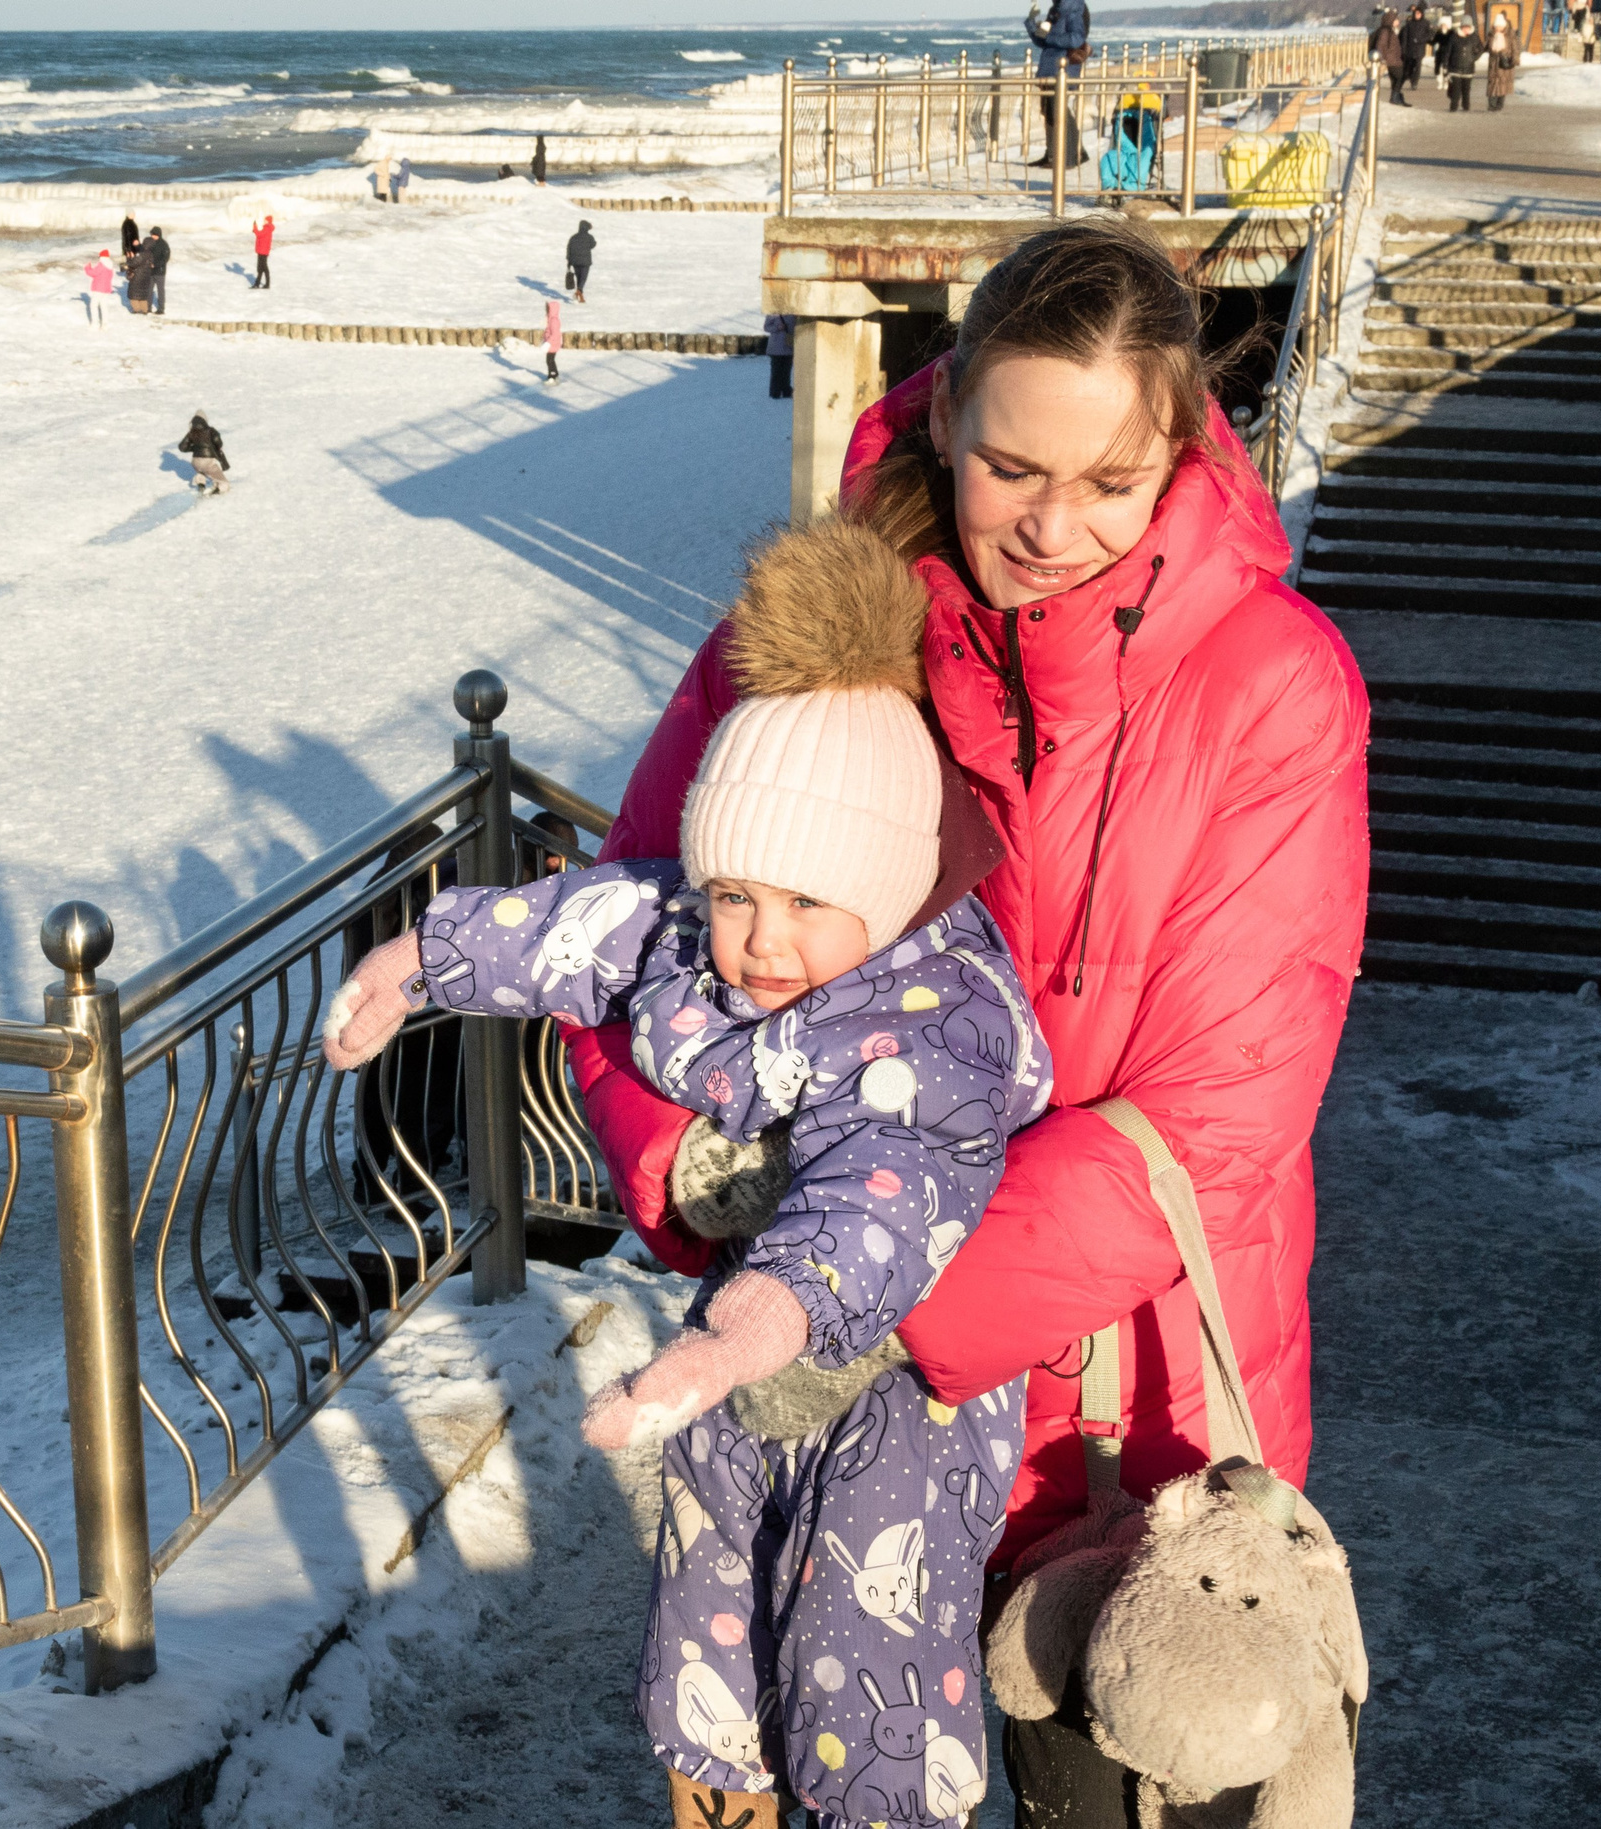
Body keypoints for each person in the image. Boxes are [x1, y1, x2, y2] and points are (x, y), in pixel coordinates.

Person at [564, 216, 1369, 1826]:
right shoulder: (806, 642)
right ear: (942, 418)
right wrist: (682, 1166)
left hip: (1119, 1434)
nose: (1054, 529)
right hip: (829, 1425)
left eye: (1110, 486)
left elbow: (1219, 1112)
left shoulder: (1271, 685)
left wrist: (862, 1307)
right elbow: (632, 939)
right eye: (1012, 470)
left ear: (1180, 456)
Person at [324, 518, 1045, 1829]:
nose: (759, 942)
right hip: (735, 1352)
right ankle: (721, 1795)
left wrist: (737, 1335)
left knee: (861, 1636)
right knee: (714, 1604)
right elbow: (580, 925)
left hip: (900, 1384)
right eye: (736, 895)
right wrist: (418, 963)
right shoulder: (700, 934)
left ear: (881, 889)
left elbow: (877, 1204)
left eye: (805, 904)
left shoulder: (934, 1019)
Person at [1026, 0, 1091, 166]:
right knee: (1048, 110)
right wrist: (1033, 25)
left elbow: (1076, 39)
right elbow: (1044, 42)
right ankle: (1053, 154)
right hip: (1050, 66)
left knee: (1059, 110)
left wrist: (1049, 36)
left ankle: (1071, 155)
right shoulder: (1055, 10)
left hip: (1064, 67)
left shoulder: (1073, 8)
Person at [178, 411, 230, 492]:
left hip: (195, 462)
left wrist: (194, 448)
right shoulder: (211, 431)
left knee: (201, 470)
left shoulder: (191, 432)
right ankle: (217, 492)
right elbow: (218, 441)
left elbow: (182, 447)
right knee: (223, 482)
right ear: (205, 420)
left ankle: (201, 483)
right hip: (208, 461)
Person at [1445, 14, 1482, 109]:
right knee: (1456, 90)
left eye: (1468, 27)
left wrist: (1474, 57)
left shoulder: (1474, 37)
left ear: (1471, 27)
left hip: (1468, 68)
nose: (1466, 29)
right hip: (1455, 68)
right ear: (1461, 26)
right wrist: (1445, 64)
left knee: (1466, 90)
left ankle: (1466, 107)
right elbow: (1448, 52)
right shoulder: (1454, 37)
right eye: (1464, 27)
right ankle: (1453, 107)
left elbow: (1481, 48)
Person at [1487, 8, 1518, 107]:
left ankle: (1499, 105)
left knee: (1503, 86)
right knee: (1492, 84)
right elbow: (1486, 46)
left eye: (1499, 26)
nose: (1498, 28)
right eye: (1496, 26)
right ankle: (1491, 105)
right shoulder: (1491, 35)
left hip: (1504, 64)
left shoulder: (1510, 36)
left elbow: (1515, 48)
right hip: (1493, 64)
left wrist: (1514, 60)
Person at [1376, 8, 1408, 102]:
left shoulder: (1390, 30)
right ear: (1391, 20)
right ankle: (1395, 97)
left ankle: (1395, 97)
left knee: (1396, 79)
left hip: (1394, 58)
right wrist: (1381, 58)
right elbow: (1381, 45)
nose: (1398, 21)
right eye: (1396, 19)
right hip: (1392, 60)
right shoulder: (1386, 31)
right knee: (1400, 77)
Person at [564, 219, 596, 302]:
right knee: (583, 278)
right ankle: (579, 291)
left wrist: (569, 261)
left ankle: (580, 295)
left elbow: (569, 249)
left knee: (579, 277)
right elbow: (593, 245)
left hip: (575, 262)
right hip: (585, 262)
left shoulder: (573, 237)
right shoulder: (589, 237)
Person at [1403, 2, 1434, 89]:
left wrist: (1421, 40)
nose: (1417, 15)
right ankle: (1411, 78)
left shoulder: (1426, 23)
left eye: (1419, 13)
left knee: (1417, 65)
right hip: (1410, 48)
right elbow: (1405, 36)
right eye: (1416, 13)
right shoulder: (1409, 24)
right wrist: (1403, 48)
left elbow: (1430, 34)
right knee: (1410, 66)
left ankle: (1414, 82)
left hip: (1420, 48)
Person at [765, 312, 795, 399]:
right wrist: (778, 328)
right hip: (776, 349)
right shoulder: (773, 314)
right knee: (776, 371)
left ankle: (785, 390)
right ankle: (775, 392)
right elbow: (766, 327)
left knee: (786, 371)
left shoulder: (793, 315)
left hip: (788, 347)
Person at [143, 226, 171, 315]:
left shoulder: (164, 245)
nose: (152, 236)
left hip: (160, 271)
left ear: (158, 235)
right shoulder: (150, 243)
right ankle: (148, 307)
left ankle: (161, 308)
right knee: (149, 290)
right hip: (150, 271)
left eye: (154, 235)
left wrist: (155, 265)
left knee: (160, 290)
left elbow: (165, 259)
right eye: (151, 234)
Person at [83, 248, 114, 327]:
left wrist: (87, 267)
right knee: (104, 306)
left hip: (99, 289)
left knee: (93, 305)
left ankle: (95, 324)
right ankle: (105, 324)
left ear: (101, 257)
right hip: (106, 289)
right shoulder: (110, 265)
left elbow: (93, 273)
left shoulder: (102, 264)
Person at [123, 239, 154, 315]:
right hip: (146, 277)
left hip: (137, 276)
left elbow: (134, 263)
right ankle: (144, 310)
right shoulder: (151, 254)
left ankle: (136, 309)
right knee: (143, 294)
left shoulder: (141, 254)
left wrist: (129, 258)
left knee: (133, 293)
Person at [251, 215, 274, 288]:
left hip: (263, 251)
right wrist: (255, 229)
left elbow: (258, 234)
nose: (264, 221)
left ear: (268, 221)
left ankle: (262, 284)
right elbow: (260, 234)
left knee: (262, 268)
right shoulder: (267, 228)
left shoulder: (267, 228)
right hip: (263, 250)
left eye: (265, 220)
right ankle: (260, 284)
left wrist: (255, 226)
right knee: (261, 268)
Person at [542, 296, 562, 383]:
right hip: (551, 343)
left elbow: (555, 334)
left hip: (553, 344)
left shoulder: (554, 320)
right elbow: (547, 331)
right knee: (550, 360)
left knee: (550, 360)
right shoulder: (550, 319)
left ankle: (553, 375)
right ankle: (554, 373)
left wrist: (548, 343)